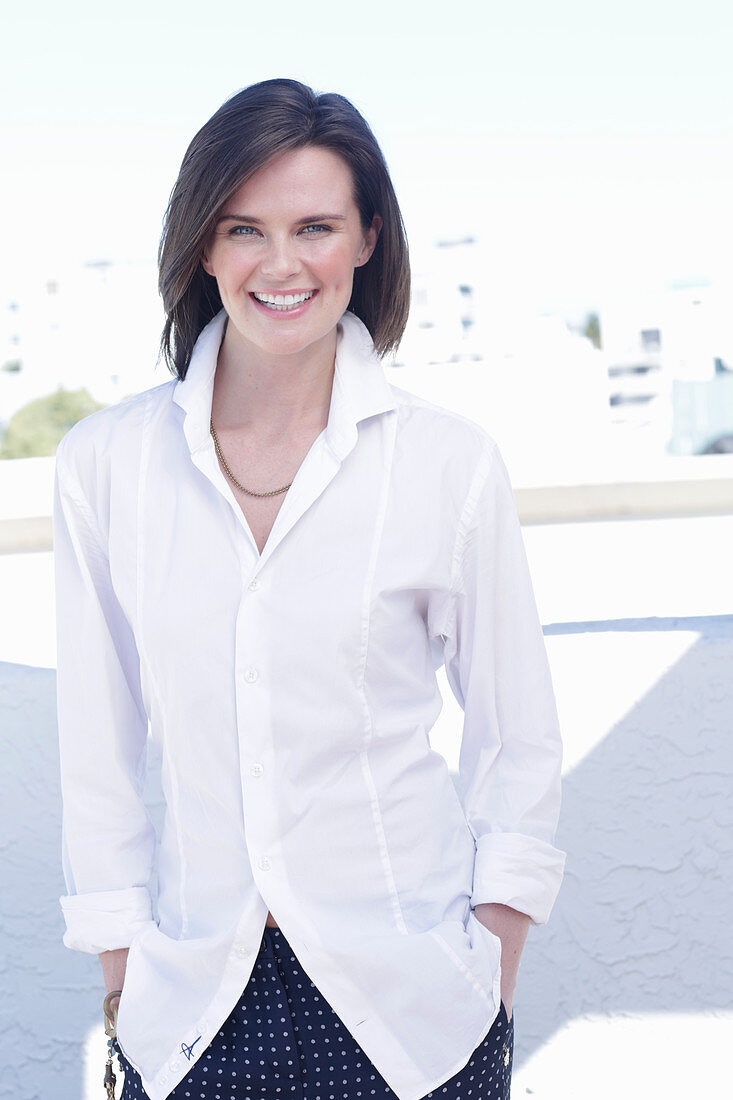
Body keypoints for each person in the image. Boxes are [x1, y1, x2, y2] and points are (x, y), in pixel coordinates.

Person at [53, 78, 566, 1100]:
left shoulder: (446, 464)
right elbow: (96, 748)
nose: (280, 263)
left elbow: (518, 735)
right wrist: (122, 980)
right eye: (244, 227)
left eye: (315, 226)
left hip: (416, 1014)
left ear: (368, 238)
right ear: (201, 246)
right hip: (195, 1015)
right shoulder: (104, 465)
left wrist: (492, 963)